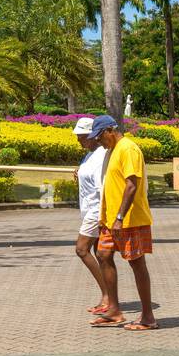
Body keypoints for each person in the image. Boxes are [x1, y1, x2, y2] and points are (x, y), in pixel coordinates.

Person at [88, 115, 158, 331]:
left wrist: (119, 217)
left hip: (129, 219)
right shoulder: (112, 151)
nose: (98, 142)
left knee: (137, 263)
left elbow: (131, 185)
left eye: (99, 137)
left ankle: (148, 317)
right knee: (103, 255)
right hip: (111, 220)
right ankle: (114, 310)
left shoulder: (128, 149)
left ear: (110, 130)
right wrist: (106, 218)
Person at [71, 117, 111, 315]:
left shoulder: (102, 154)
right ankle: (108, 297)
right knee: (101, 256)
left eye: (82, 137)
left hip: (96, 210)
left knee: (81, 249)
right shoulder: (89, 155)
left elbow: (102, 187)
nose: (79, 140)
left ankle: (108, 296)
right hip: (88, 209)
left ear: (93, 136)